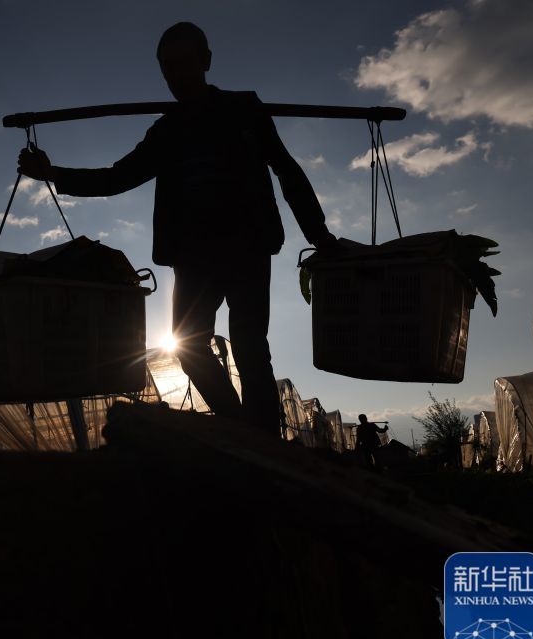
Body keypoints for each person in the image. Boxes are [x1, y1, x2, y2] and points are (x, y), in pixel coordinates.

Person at [17, 22, 338, 434]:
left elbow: (287, 171)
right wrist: (52, 173)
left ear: (205, 62)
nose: (176, 75)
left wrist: (319, 235)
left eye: (185, 64)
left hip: (246, 245)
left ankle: (262, 435)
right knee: (189, 348)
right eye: (168, 67)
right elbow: (118, 177)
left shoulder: (244, 110)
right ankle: (243, 428)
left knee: (250, 346)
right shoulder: (167, 130)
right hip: (193, 255)